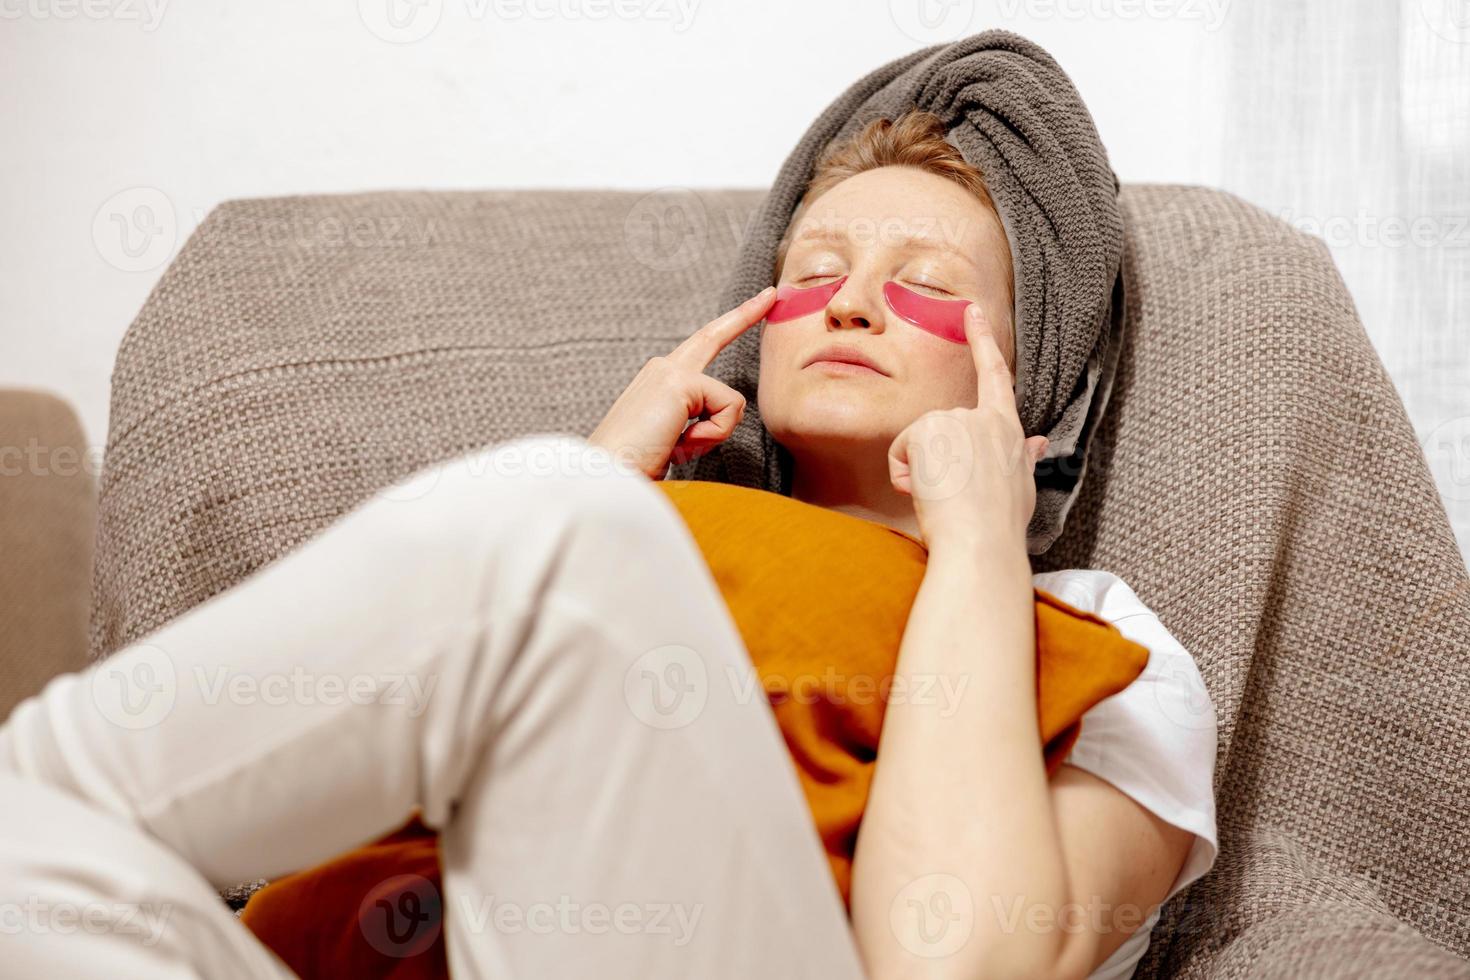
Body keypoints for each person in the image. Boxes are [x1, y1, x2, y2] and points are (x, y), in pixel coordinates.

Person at [0, 110, 1216, 980]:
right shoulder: (643, 548)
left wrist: (976, 548)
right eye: (819, 270)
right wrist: (608, 471)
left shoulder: (1113, 645)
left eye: (924, 282)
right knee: (29, 850)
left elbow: (958, 962)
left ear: (1034, 374)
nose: (849, 303)